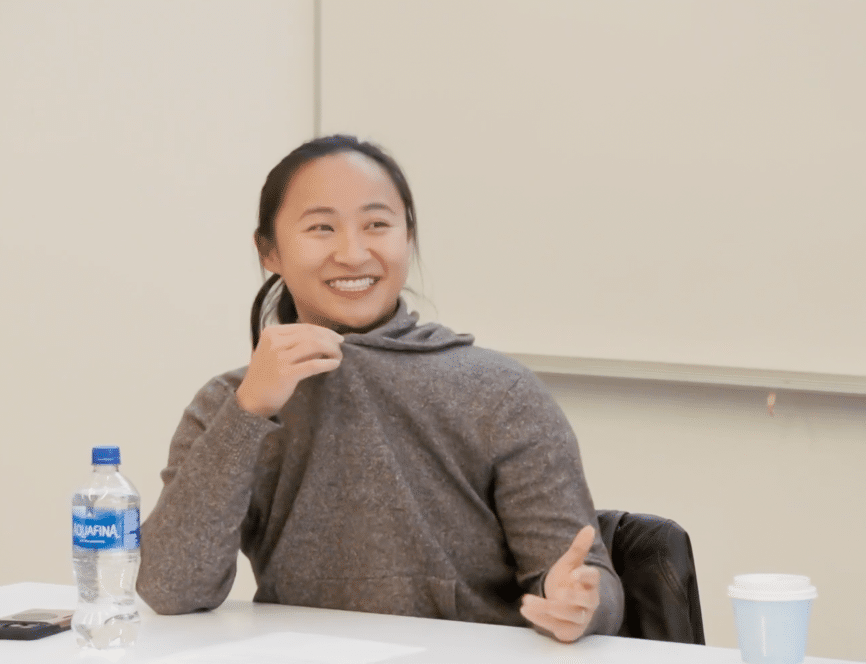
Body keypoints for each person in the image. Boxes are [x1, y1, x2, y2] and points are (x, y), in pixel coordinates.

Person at [136, 135, 624, 642]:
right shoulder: (230, 401)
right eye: (321, 228)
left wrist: (578, 604)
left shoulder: (499, 391)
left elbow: (588, 581)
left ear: (407, 239)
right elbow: (170, 589)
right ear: (270, 251)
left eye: (377, 225)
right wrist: (250, 410)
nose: (352, 253)